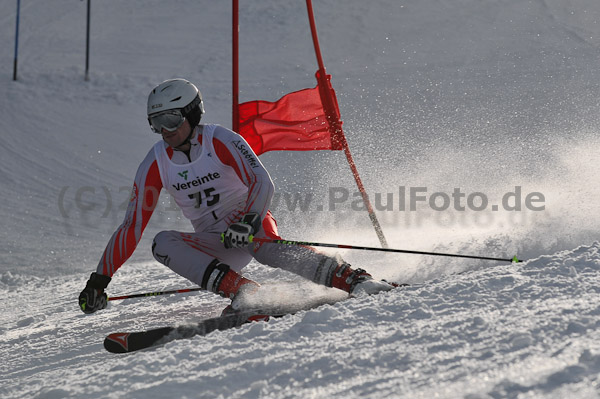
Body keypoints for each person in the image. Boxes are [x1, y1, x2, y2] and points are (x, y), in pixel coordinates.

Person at [78, 78, 395, 316]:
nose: (165, 131)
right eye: (156, 123)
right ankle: (245, 294)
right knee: (162, 243)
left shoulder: (220, 140)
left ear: (191, 114)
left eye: (171, 120)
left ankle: (354, 279)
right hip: (217, 241)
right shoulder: (156, 162)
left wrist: (248, 220)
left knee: (267, 248)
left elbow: (262, 182)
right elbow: (132, 225)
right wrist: (99, 281)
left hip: (250, 224)